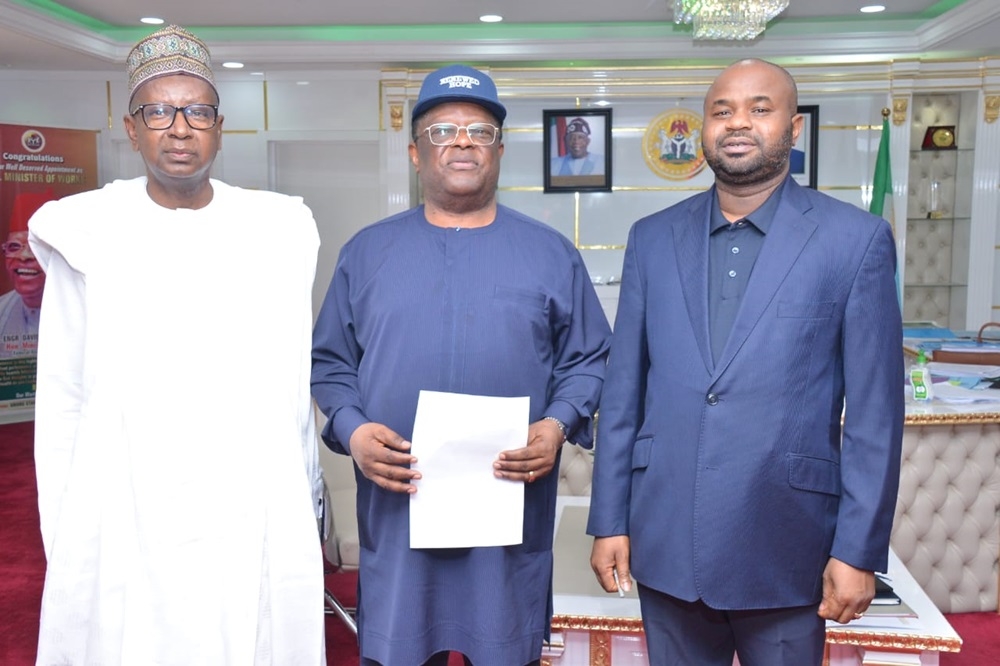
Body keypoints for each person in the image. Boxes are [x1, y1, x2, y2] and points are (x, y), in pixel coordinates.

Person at [587, 58, 904, 666]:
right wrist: (609, 521)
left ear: (793, 128)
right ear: (704, 127)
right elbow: (623, 393)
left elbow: (875, 416)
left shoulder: (854, 239)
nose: (738, 123)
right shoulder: (652, 238)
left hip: (788, 542)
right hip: (667, 537)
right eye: (722, 110)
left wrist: (858, 551)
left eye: (760, 108)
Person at [28, 25, 326, 665]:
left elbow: (289, 375)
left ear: (220, 125)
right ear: (132, 129)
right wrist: (70, 519)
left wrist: (302, 491)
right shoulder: (86, 230)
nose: (180, 128)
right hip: (130, 490)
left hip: (247, 488)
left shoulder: (276, 228)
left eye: (197, 111)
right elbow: (64, 389)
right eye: (158, 111)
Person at [311, 64, 612, 666]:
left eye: (479, 131)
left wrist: (556, 426)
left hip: (507, 508)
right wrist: (353, 429)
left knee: (504, 649)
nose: (462, 142)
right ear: (416, 153)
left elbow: (589, 358)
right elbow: (331, 362)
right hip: (400, 506)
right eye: (443, 130)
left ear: (500, 150)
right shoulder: (367, 252)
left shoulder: (550, 253)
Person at [0, 190, 54, 358]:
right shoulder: (2, 309)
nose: (24, 257)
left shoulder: (85, 304)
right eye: (14, 246)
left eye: (35, 247)